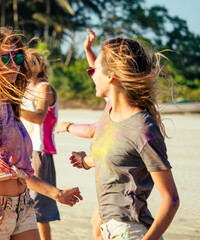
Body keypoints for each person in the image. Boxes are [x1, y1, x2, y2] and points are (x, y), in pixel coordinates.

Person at [0, 26, 82, 240]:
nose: (13, 64)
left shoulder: (9, 99)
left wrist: (56, 194)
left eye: (18, 57)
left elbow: (18, 170)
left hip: (23, 205)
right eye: (5, 58)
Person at [69, 34, 180, 240]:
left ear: (111, 76)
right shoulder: (109, 114)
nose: (91, 74)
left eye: (94, 71)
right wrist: (85, 161)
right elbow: (122, 161)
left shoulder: (142, 128)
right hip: (111, 230)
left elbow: (171, 199)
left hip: (132, 232)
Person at [54, 28, 103, 240]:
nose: (91, 75)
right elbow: (99, 71)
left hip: (119, 197)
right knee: (97, 224)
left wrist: (67, 126)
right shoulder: (119, 101)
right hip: (110, 189)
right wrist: (87, 49)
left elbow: (93, 130)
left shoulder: (118, 108)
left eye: (94, 72)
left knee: (98, 227)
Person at [20, 48, 59, 240]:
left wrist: (14, 108)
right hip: (23, 151)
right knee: (24, 205)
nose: (26, 64)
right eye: (23, 61)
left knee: (39, 208)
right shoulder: (22, 90)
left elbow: (39, 117)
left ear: (40, 65)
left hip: (40, 151)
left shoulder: (45, 88)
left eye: (32, 61)